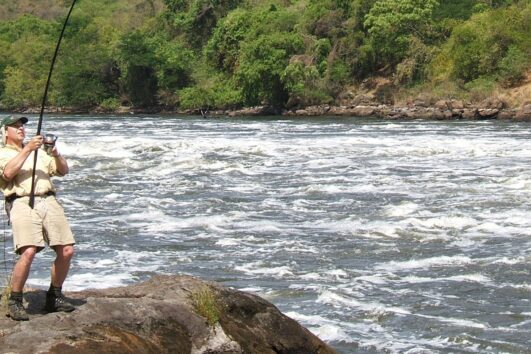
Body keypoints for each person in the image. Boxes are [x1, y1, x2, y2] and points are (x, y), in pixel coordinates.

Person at [0, 115, 75, 321]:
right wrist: (27, 150)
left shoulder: (41, 152)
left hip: (48, 199)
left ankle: (54, 295)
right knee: (29, 251)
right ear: (5, 132)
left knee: (67, 250)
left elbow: (63, 170)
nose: (21, 129)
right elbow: (7, 173)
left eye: (22, 126)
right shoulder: (4, 152)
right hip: (21, 201)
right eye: (15, 127)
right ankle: (15, 300)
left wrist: (56, 153)